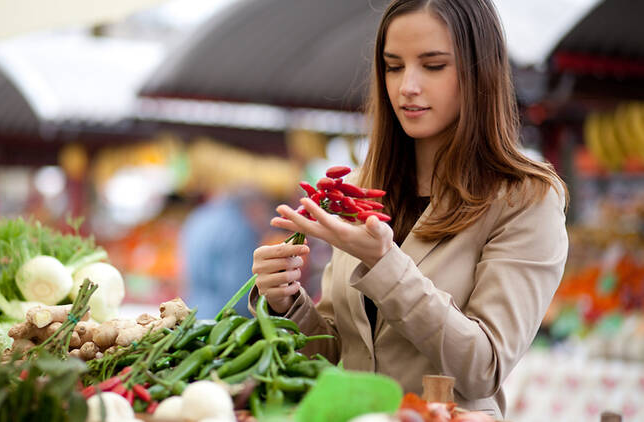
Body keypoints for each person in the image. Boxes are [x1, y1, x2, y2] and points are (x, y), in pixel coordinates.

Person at [249, 0, 568, 418]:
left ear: (479, 72)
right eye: (393, 66)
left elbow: (483, 368)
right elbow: (334, 352)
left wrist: (385, 264)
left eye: (433, 66)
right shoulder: (364, 189)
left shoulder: (525, 199)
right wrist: (286, 302)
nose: (406, 87)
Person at [180, 188, 270, 318]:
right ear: (253, 206)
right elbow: (240, 291)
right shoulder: (239, 228)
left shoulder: (198, 217)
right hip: (224, 321)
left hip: (194, 311)